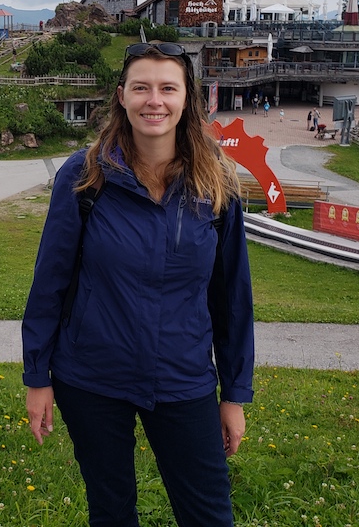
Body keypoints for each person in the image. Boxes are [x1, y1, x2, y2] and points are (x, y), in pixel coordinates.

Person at [22, 41, 255, 527]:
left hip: (182, 375)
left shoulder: (216, 184)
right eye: (141, 88)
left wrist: (233, 395)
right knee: (111, 513)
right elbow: (50, 282)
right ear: (122, 97)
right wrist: (37, 377)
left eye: (168, 88)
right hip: (92, 376)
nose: (155, 100)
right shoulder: (85, 176)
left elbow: (232, 299)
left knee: (210, 515)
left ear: (187, 98)